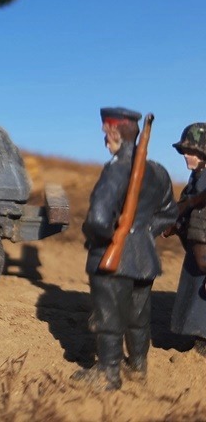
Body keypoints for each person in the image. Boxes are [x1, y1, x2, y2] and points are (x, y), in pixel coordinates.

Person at [71, 107, 177, 391]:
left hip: (113, 258)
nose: (105, 140)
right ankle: (138, 366)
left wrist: (110, 237)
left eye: (107, 133)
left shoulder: (116, 169)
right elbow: (169, 213)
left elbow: (97, 219)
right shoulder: (159, 171)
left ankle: (108, 373)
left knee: (108, 316)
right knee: (139, 317)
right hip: (145, 258)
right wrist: (142, 233)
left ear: (113, 133)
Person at [170, 123, 206, 355]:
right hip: (196, 245)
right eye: (185, 151)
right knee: (193, 290)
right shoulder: (196, 180)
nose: (187, 156)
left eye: (192, 152)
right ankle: (194, 334)